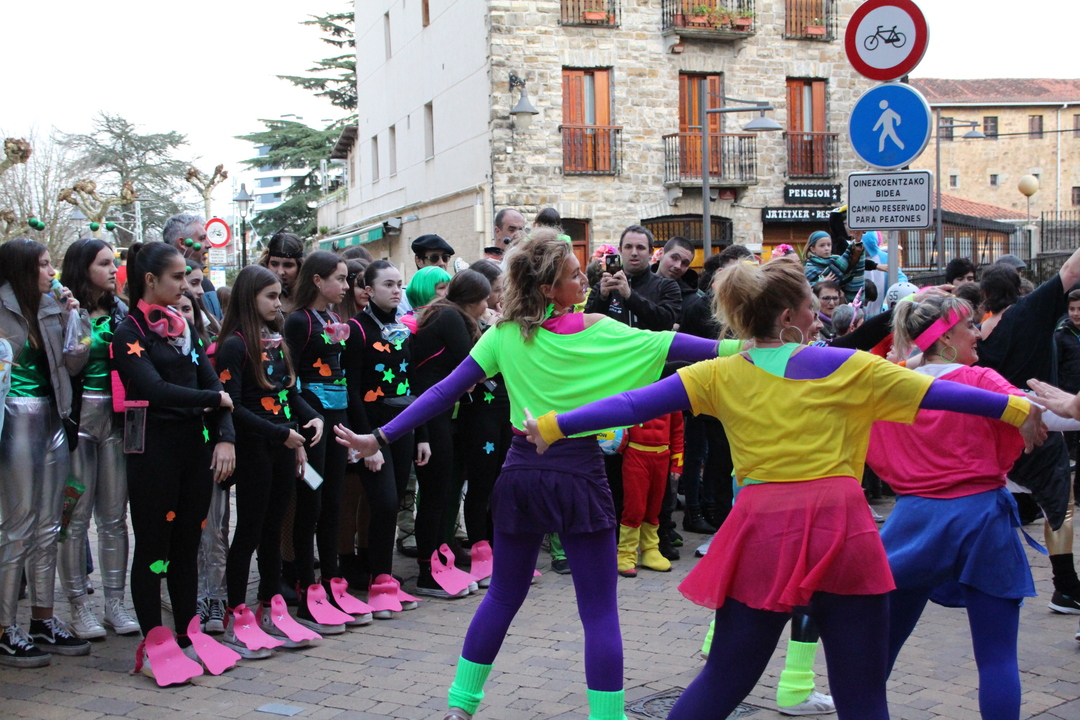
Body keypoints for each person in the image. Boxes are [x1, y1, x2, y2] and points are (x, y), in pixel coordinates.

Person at [525, 257, 1044, 720]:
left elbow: (633, 404)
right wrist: (1016, 408)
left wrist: (554, 426)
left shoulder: (719, 374)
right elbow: (940, 394)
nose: (819, 319)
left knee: (724, 678)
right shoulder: (851, 367)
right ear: (788, 317)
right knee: (863, 698)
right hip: (841, 531)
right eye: (813, 309)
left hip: (762, 531)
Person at [334, 228, 723, 720]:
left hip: (521, 475)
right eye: (574, 275)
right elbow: (681, 346)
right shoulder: (596, 328)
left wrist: (381, 437)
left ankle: (460, 706)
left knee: (502, 596)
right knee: (599, 611)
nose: (585, 279)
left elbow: (442, 392)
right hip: (579, 475)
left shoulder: (502, 335)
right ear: (546, 288)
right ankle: (607, 717)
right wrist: (751, 348)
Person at [868, 294, 1053, 720]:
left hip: (914, 523)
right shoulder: (980, 380)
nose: (978, 333)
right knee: (997, 658)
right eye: (969, 325)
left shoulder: (893, 387)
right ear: (947, 338)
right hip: (981, 520)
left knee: (876, 654)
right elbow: (1042, 416)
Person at [110, 241, 236, 678]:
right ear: (150, 280)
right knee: (154, 549)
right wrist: (212, 400)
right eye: (178, 277)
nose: (186, 286)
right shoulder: (128, 332)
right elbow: (153, 390)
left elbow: (214, 385)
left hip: (193, 449)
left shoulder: (184, 328)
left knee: (186, 547)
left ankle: (187, 635)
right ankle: (155, 642)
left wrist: (224, 434)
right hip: (153, 452)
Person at [215, 266, 326, 657]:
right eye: (271, 296)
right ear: (250, 298)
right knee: (249, 530)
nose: (279, 304)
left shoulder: (275, 341)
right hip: (254, 449)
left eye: (280, 295)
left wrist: (312, 416)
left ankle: (269, 607)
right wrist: (280, 434)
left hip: (282, 445)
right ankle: (236, 613)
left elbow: (287, 393)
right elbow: (233, 406)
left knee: (274, 529)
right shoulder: (234, 345)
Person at [0, 238, 91, 666]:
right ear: (21, 268)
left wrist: (77, 319)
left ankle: (43, 618)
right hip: (16, 418)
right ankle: (5, 627)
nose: (51, 272)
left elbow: (74, 363)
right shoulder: (3, 308)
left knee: (49, 525)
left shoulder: (53, 306)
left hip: (55, 416)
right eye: (42, 264)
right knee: (17, 526)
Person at [977, 250, 1080, 613]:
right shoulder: (1030, 312)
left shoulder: (974, 334)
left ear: (984, 294)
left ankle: (986, 581)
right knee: (1060, 509)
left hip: (993, 436)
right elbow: (1070, 270)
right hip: (1039, 429)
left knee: (992, 507)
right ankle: (1066, 587)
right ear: (1019, 287)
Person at [56, 239, 140, 640]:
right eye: (104, 263)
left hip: (117, 420)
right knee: (74, 518)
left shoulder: (122, 311)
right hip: (77, 421)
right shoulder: (63, 312)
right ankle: (78, 605)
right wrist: (75, 321)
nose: (112, 270)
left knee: (114, 517)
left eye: (113, 263)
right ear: (82, 268)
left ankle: (115, 604)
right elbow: (66, 363)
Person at [341, 261, 431, 607]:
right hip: (373, 430)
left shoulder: (402, 328)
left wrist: (422, 434)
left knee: (391, 505)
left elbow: (414, 385)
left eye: (399, 284)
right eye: (388, 284)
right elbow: (352, 391)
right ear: (368, 290)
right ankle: (378, 579)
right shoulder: (357, 330)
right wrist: (368, 442)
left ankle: (382, 576)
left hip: (403, 426)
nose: (396, 291)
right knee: (385, 502)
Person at [283, 251, 360, 633]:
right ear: (317, 280)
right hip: (312, 426)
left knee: (332, 502)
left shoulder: (331, 317)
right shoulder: (298, 321)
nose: (346, 286)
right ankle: (306, 587)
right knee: (310, 504)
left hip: (337, 421)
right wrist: (302, 420)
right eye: (340, 278)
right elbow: (289, 376)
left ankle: (331, 582)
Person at [411, 270, 491, 597]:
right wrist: (493, 329)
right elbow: (476, 366)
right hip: (431, 415)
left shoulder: (446, 314)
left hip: (438, 412)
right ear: (473, 300)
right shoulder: (450, 318)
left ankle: (438, 563)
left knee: (441, 494)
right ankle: (427, 573)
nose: (488, 306)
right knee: (434, 495)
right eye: (485, 299)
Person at [585, 225, 681, 332]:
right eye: (628, 247)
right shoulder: (601, 287)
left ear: (650, 252)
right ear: (620, 251)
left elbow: (666, 323)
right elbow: (587, 327)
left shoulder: (667, 286)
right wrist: (602, 298)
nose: (634, 253)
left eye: (640, 247)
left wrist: (630, 297)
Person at [803, 231, 864, 302]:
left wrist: (857, 241)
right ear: (813, 249)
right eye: (822, 245)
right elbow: (804, 289)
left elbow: (851, 264)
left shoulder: (838, 261)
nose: (826, 248)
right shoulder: (809, 268)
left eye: (829, 245)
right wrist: (821, 282)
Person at [259, 232, 306, 316]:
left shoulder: (312, 302)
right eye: (274, 264)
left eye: (288, 265)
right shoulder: (256, 301)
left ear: (300, 267)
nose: (280, 272)